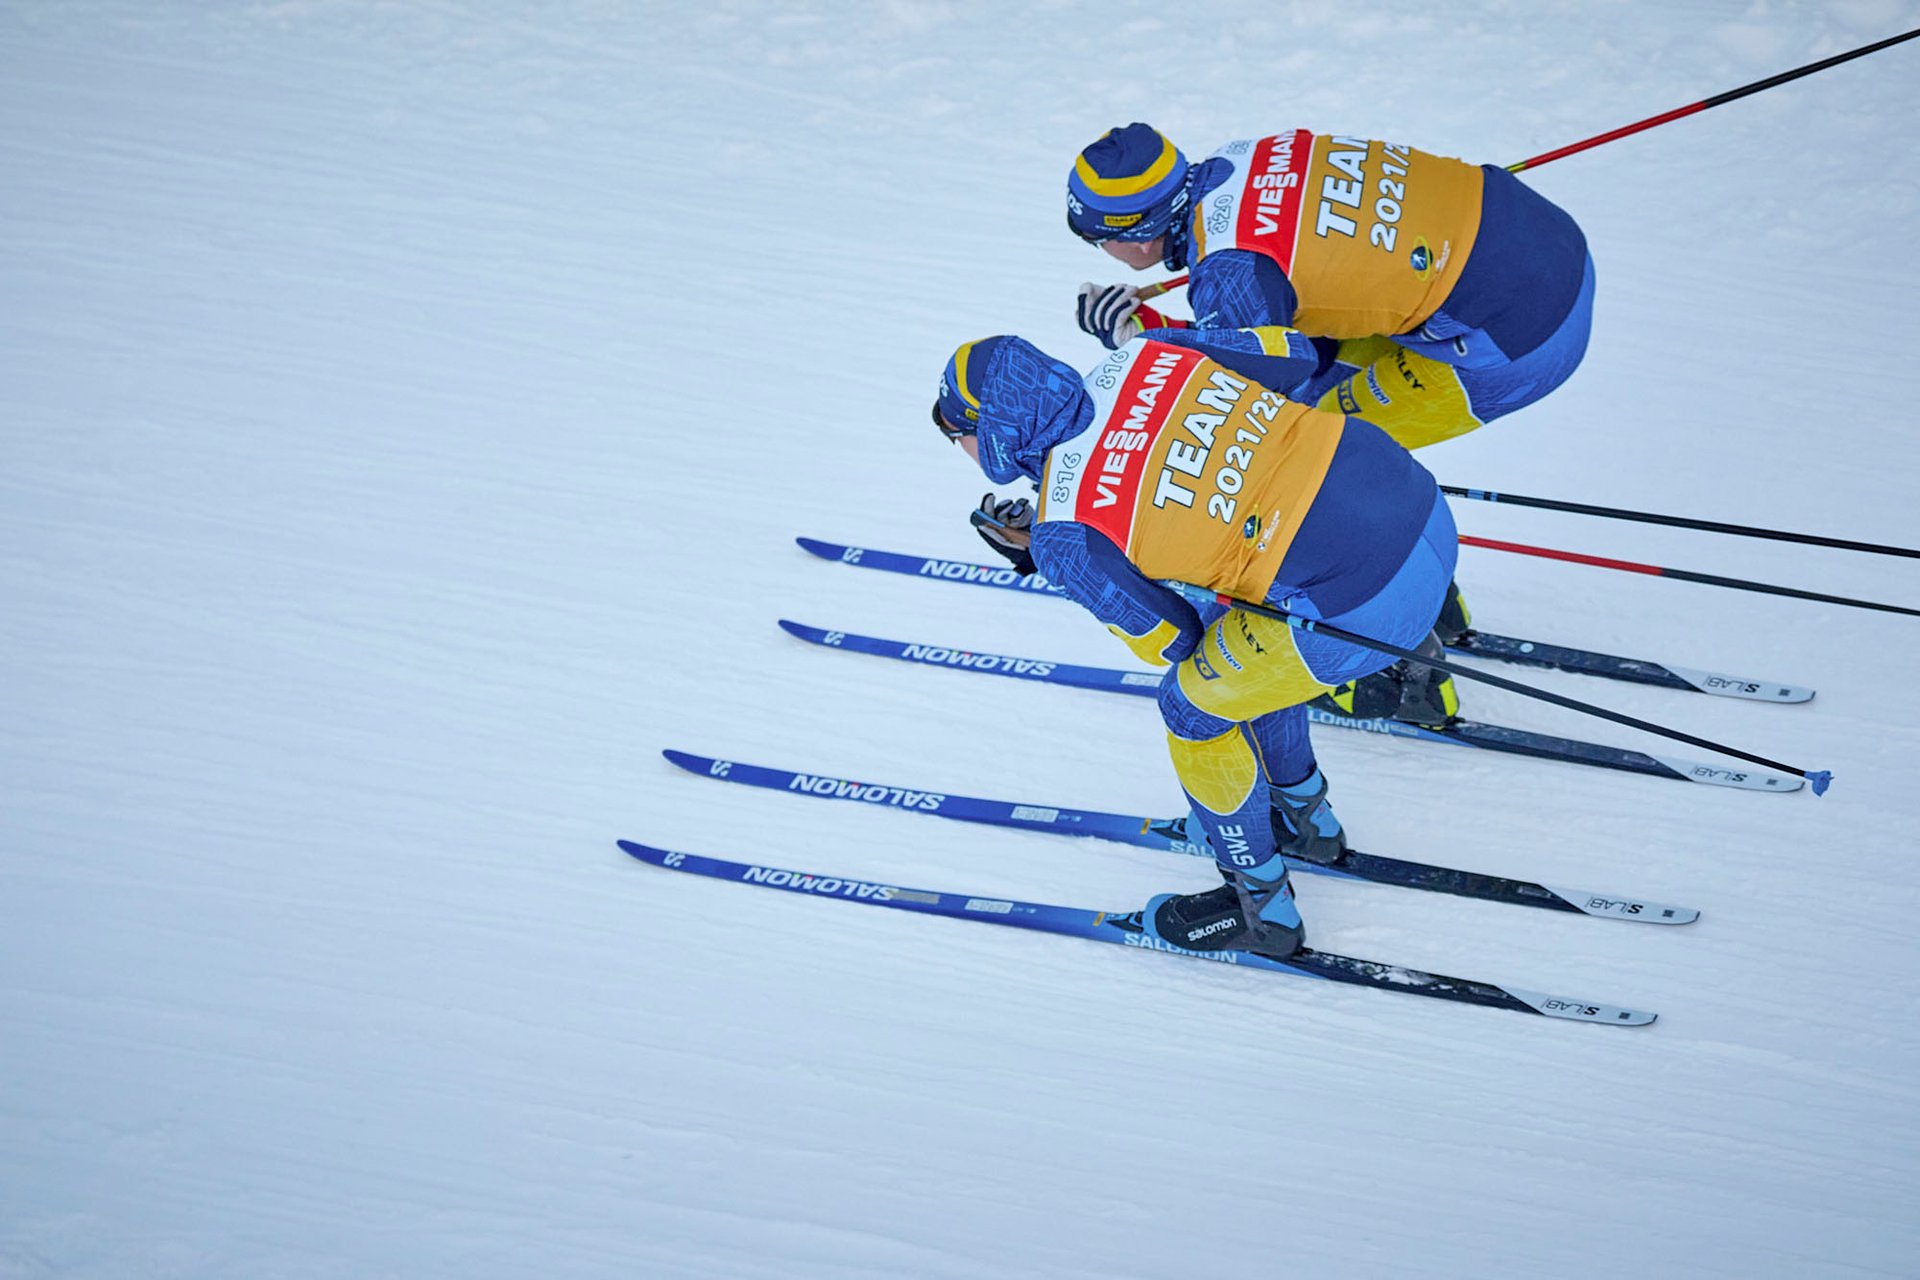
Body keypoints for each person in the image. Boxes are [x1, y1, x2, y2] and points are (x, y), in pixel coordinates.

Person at [932, 333, 1459, 960]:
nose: (959, 449)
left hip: (1367, 605)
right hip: (1419, 506)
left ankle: (1261, 907)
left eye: (956, 433)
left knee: (1191, 706)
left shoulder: (1065, 532)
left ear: (992, 433)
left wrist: (1053, 556)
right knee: (1243, 637)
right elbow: (1293, 354)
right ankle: (1302, 818)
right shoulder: (1143, 354)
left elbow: (1171, 639)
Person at [1064, 122, 1595, 453]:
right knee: (1320, 371)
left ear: (1136, 238)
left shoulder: (1229, 273)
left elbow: (1244, 404)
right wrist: (1176, 331)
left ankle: (1400, 595)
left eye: (1096, 240)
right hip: (1542, 235)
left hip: (1523, 338)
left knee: (1300, 452)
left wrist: (1148, 341)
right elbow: (1300, 315)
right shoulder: (1242, 156)